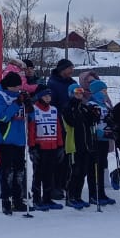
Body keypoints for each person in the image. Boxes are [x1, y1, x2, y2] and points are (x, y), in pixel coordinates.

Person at [0, 73, 28, 216]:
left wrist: (28, 106)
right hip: (6, 138)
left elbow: (29, 116)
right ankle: (6, 200)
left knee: (19, 170)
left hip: (20, 138)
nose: (19, 88)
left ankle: (18, 199)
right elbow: (3, 117)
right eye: (17, 86)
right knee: (7, 171)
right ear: (9, 85)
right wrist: (16, 104)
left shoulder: (19, 94)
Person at [27, 85, 64, 211]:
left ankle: (47, 198)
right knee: (38, 174)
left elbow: (58, 129)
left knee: (50, 174)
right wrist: (32, 147)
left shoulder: (54, 110)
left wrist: (60, 146)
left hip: (52, 147)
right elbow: (31, 130)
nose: (48, 98)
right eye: (45, 96)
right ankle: (37, 199)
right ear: (39, 96)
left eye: (49, 96)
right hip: (40, 147)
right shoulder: (34, 110)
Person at [44, 58, 76, 198]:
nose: (71, 71)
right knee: (59, 157)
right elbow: (52, 105)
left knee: (69, 156)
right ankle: (55, 186)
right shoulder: (53, 83)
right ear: (62, 69)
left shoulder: (72, 83)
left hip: (73, 123)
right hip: (59, 124)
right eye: (69, 68)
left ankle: (65, 182)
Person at [62, 83, 96, 209]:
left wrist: (93, 114)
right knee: (74, 172)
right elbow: (71, 122)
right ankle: (70, 197)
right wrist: (78, 110)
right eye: (76, 93)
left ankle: (78, 196)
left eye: (81, 93)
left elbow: (91, 122)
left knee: (82, 172)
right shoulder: (68, 107)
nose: (79, 95)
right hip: (73, 144)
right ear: (71, 94)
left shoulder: (83, 108)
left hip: (85, 145)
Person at [85, 79, 116, 205]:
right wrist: (99, 132)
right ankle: (93, 193)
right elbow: (90, 124)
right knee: (94, 167)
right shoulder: (91, 104)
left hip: (105, 139)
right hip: (95, 140)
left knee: (102, 165)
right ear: (97, 91)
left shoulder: (106, 105)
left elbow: (109, 119)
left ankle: (101, 192)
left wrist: (112, 126)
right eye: (103, 90)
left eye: (106, 90)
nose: (105, 93)